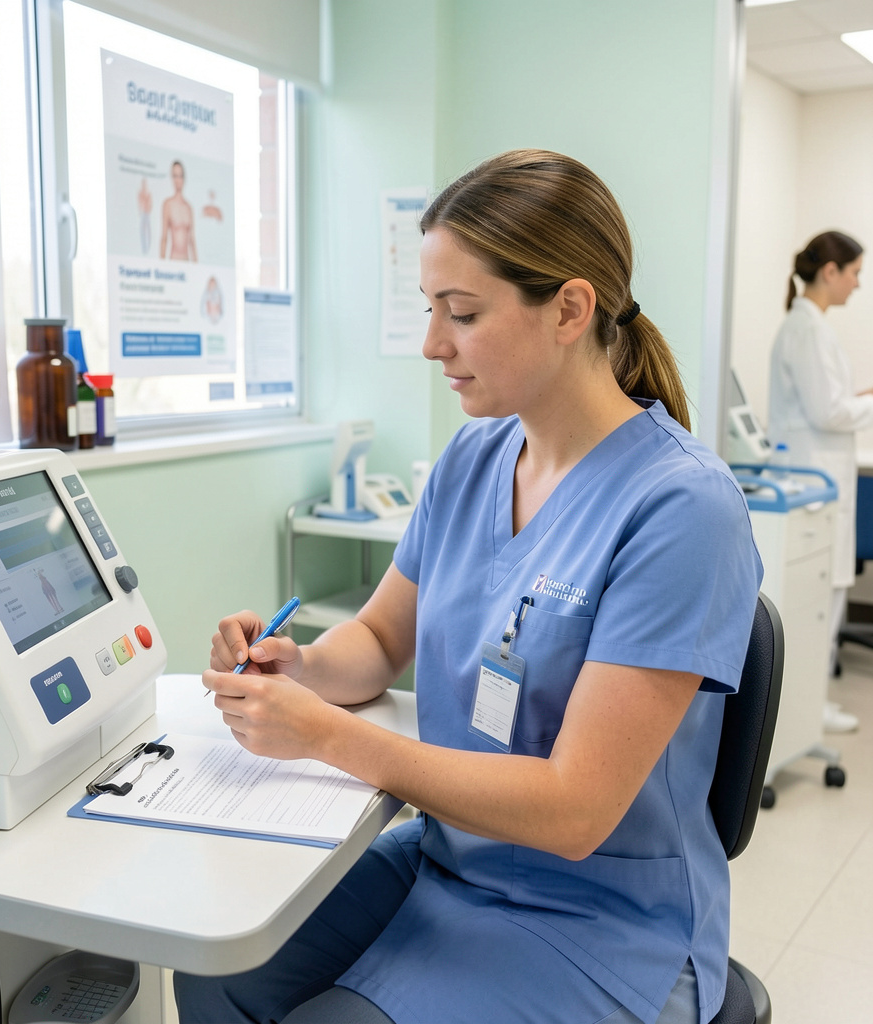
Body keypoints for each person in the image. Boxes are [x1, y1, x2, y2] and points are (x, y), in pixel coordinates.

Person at [176, 150, 762, 1024]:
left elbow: (575, 812)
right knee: (215, 962)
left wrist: (326, 736)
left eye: (463, 313)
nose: (431, 344)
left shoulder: (682, 508)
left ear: (569, 309)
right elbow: (378, 643)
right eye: (430, 310)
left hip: (597, 920)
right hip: (455, 860)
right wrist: (295, 670)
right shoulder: (475, 455)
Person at [767, 231, 871, 734]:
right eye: (854, 272)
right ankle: (806, 704)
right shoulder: (806, 328)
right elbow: (829, 412)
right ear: (830, 272)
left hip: (822, 479)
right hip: (814, 482)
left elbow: (829, 403)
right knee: (816, 598)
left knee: (825, 596)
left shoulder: (812, 326)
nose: (857, 284)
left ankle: (812, 701)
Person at [160, 159, 197, 261]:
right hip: (174, 261)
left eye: (180, 176)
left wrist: (198, 267)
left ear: (184, 178)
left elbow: (192, 241)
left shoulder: (188, 207)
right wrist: (161, 264)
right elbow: (164, 238)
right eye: (175, 176)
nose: (178, 180)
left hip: (187, 261)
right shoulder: (168, 204)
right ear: (172, 178)